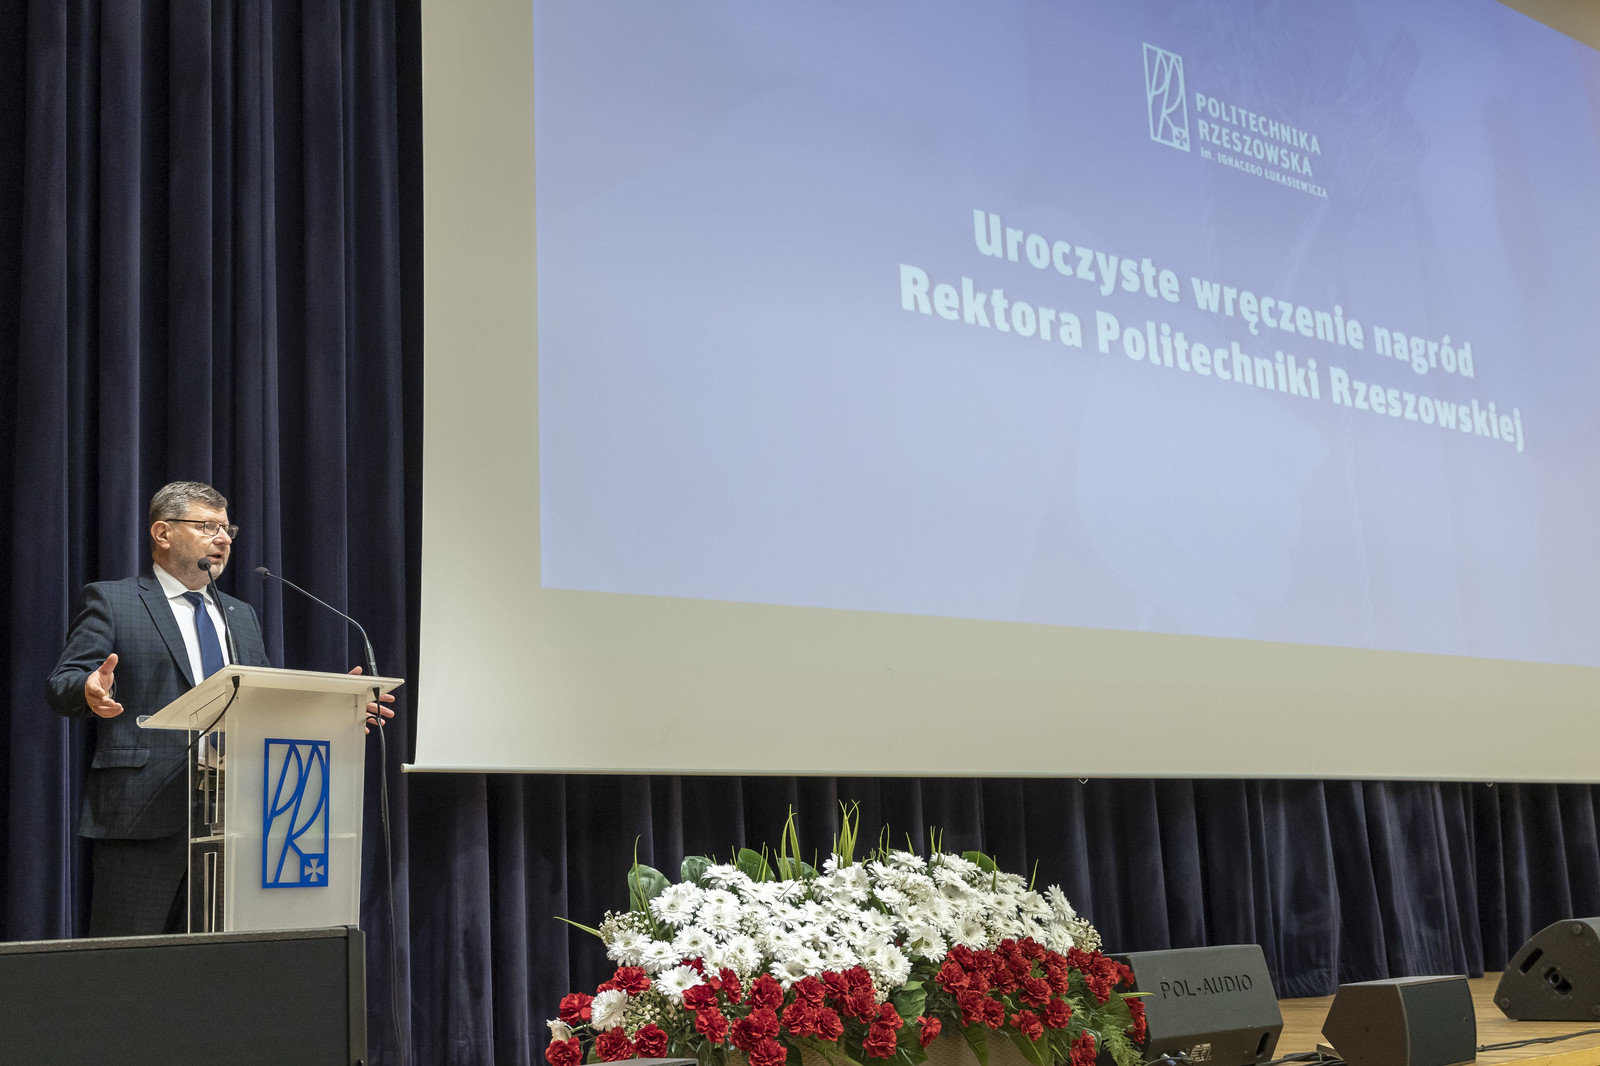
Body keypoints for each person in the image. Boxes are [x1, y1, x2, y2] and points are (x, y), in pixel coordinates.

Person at [45, 481, 393, 936]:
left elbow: (264, 702)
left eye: (228, 529)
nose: (224, 538)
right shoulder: (114, 600)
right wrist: (89, 689)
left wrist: (333, 711)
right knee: (125, 967)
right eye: (208, 527)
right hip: (143, 815)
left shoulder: (239, 614)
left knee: (218, 969)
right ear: (163, 533)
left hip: (237, 818)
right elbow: (62, 682)